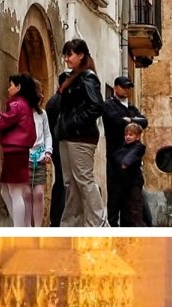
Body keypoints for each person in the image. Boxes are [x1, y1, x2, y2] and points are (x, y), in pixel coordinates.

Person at [54, 38, 108, 227]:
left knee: (84, 181)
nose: (66, 58)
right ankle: (71, 224)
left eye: (69, 54)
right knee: (70, 183)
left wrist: (73, 123)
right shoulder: (73, 77)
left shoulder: (88, 77)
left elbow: (97, 106)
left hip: (81, 136)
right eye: (66, 54)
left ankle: (98, 222)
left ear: (81, 55)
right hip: (68, 136)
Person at [0, 73, 39, 227]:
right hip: (17, 151)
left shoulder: (17, 105)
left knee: (15, 193)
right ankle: (20, 225)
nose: (8, 88)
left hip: (15, 151)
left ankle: (19, 228)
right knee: (6, 191)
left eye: (11, 85)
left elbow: (3, 122)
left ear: (18, 87)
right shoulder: (25, 105)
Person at [102, 76, 149, 226]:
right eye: (123, 87)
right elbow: (115, 120)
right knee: (115, 198)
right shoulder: (109, 104)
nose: (126, 90)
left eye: (128, 87)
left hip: (131, 162)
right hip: (115, 157)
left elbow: (144, 121)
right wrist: (132, 120)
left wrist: (128, 119)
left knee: (132, 200)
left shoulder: (131, 107)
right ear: (115, 88)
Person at [109, 122, 146, 226]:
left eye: (131, 135)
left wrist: (126, 163)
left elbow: (132, 155)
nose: (128, 137)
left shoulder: (139, 147)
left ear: (138, 136)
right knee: (125, 212)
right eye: (126, 135)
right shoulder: (122, 149)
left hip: (133, 183)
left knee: (135, 210)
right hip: (122, 184)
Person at [27, 78, 53, 227]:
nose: (42, 96)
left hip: (40, 158)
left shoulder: (42, 114)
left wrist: (48, 152)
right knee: (26, 195)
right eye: (39, 93)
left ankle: (38, 227)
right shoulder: (22, 112)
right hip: (24, 158)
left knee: (39, 193)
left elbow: (47, 134)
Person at [44, 89, 66, 227]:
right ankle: (58, 219)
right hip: (60, 146)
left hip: (57, 146)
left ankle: (57, 219)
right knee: (63, 182)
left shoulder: (53, 100)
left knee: (61, 182)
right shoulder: (59, 101)